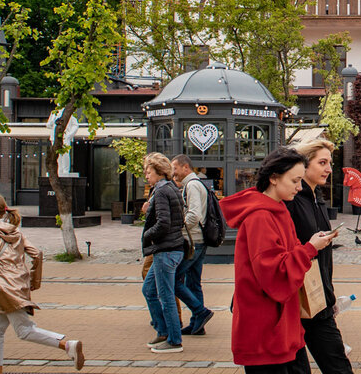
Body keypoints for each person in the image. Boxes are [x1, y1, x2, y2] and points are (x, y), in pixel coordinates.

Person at [221, 147, 337, 374]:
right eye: (295, 180)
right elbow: (274, 273)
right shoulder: (260, 217)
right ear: (274, 178)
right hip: (266, 329)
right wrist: (309, 249)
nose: (299, 186)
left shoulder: (278, 209)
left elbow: (286, 256)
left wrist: (309, 246)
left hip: (281, 326)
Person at [0, 192, 84, 374]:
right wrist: (34, 280)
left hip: (5, 288)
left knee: (24, 331)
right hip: (18, 284)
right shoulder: (15, 230)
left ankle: (67, 345)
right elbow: (37, 254)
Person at [288, 139, 354, 374]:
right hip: (297, 298)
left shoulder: (317, 199)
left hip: (318, 297)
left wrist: (329, 294)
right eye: (322, 162)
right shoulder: (293, 200)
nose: (328, 169)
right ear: (304, 166)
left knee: (338, 364)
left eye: (329, 163)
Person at [142, 152, 187, 353]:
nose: (146, 175)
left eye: (148, 171)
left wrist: (148, 236)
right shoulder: (171, 188)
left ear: (159, 172)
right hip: (172, 248)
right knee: (149, 290)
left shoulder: (161, 191)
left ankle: (174, 339)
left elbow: (163, 223)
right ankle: (163, 331)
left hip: (165, 250)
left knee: (165, 294)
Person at [171, 154, 214, 337]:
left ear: (185, 167)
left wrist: (179, 227)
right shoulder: (195, 184)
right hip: (199, 239)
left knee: (174, 280)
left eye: (175, 168)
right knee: (194, 282)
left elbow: (194, 214)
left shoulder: (192, 185)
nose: (174, 172)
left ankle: (200, 311)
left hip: (193, 240)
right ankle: (197, 324)